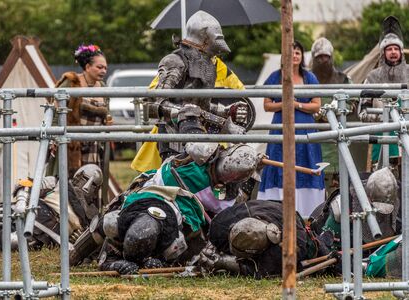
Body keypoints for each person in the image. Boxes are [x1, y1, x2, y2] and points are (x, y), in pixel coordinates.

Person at [69, 143, 266, 271]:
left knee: (184, 247)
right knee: (112, 219)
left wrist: (252, 175)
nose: (227, 179)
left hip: (180, 214)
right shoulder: (194, 160)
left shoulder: (224, 192)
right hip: (150, 193)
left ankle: (148, 259)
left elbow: (229, 211)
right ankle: (77, 255)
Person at [131, 10, 255, 173]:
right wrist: (185, 113)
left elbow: (199, 107)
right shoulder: (175, 61)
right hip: (174, 139)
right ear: (205, 39)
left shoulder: (208, 65)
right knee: (179, 187)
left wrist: (225, 112)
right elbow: (153, 105)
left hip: (200, 136)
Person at [258, 40, 325, 217]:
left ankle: (309, 212)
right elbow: (267, 105)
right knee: (279, 161)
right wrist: (285, 104)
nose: (294, 55)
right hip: (281, 128)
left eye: (297, 52)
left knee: (306, 162)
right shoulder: (275, 76)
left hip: (305, 130)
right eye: (291, 52)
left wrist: (296, 104)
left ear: (302, 56)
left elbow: (317, 105)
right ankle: (276, 210)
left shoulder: (309, 77)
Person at [198, 200, 332, 278]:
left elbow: (261, 270)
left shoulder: (290, 248)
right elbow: (214, 234)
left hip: (301, 239)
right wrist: (210, 248)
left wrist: (223, 262)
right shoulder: (223, 222)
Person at [310, 38, 367, 193]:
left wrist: (338, 110)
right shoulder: (307, 79)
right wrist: (315, 113)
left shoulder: (343, 79)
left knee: (337, 187)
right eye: (319, 57)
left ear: (331, 57)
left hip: (336, 137)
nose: (323, 60)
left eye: (326, 57)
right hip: (313, 134)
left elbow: (354, 101)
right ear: (314, 59)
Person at [47, 44, 110, 177]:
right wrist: (53, 136)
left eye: (105, 68)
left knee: (91, 183)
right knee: (70, 183)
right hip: (72, 143)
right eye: (99, 67)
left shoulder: (103, 87)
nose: (103, 71)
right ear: (87, 67)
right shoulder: (72, 82)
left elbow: (107, 115)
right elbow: (55, 107)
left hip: (94, 145)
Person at [358, 16, 409, 168]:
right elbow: (362, 112)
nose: (393, 52)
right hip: (381, 139)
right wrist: (383, 114)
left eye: (396, 49)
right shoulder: (373, 77)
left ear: (401, 51)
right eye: (389, 49)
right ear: (383, 52)